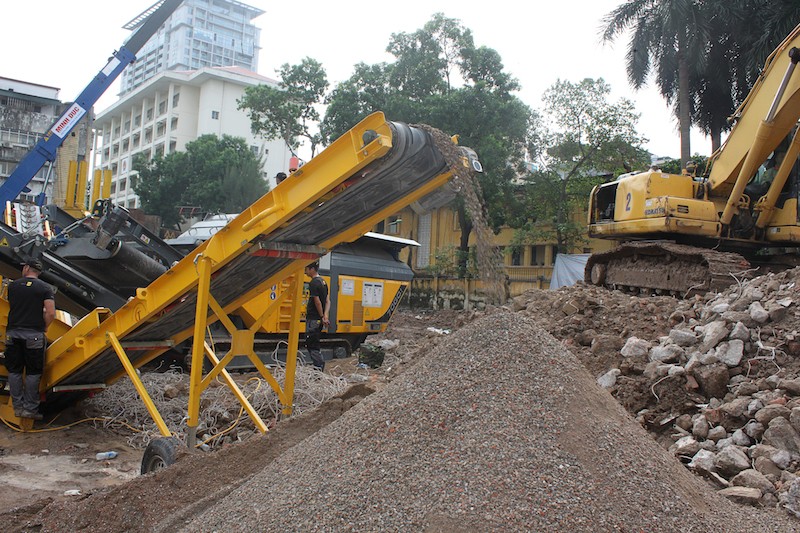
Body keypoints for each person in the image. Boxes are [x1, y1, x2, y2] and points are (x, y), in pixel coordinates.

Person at [5, 258, 55, 420]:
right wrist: (45, 326)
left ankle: (17, 407)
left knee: (14, 371)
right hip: (33, 335)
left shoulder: (13, 286)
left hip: (13, 334)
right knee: (33, 373)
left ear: (26, 268)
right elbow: (51, 312)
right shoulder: (45, 288)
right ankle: (30, 410)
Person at [304, 261, 330, 371]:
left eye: (306, 269)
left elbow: (317, 301)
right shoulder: (323, 281)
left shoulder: (314, 283)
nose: (305, 271)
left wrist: (320, 315)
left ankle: (318, 367)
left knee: (312, 342)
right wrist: (325, 316)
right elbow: (328, 301)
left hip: (314, 318)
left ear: (312, 269)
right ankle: (318, 365)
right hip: (319, 318)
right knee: (315, 341)